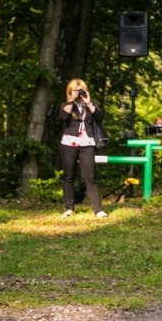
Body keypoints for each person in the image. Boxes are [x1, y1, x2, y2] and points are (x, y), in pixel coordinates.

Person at [59, 79, 106, 218]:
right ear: (70, 91)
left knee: (90, 177)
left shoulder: (89, 105)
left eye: (81, 90)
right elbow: (63, 117)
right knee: (69, 176)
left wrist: (88, 102)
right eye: (76, 90)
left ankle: (98, 210)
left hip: (87, 143)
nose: (79, 93)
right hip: (69, 143)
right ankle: (69, 208)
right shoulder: (66, 105)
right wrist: (71, 100)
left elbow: (100, 117)